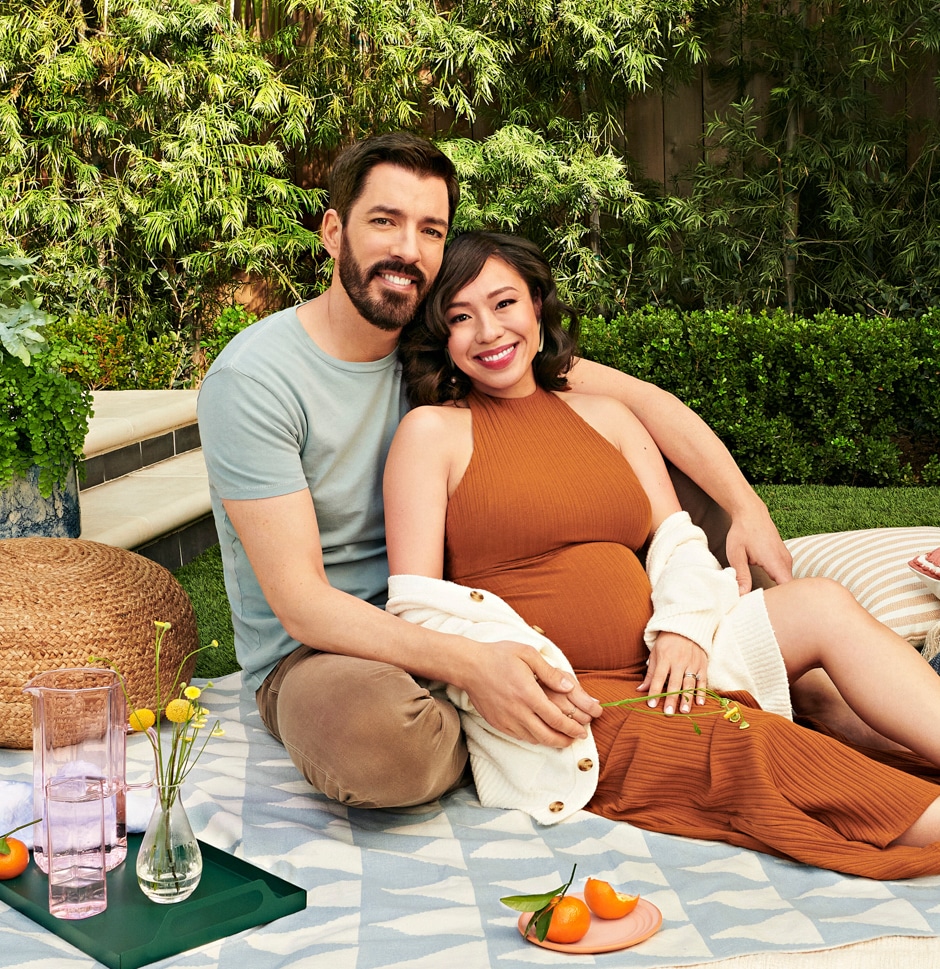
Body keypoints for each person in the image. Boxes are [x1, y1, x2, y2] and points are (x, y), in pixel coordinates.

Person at [197, 131, 791, 812]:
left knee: (680, 495)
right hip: (331, 647)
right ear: (334, 232)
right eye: (384, 222)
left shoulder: (448, 340)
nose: (406, 249)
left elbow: (645, 402)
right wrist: (472, 666)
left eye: (430, 230)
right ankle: (504, 722)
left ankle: (639, 666)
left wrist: (747, 507)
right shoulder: (255, 380)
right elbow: (302, 603)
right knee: (388, 746)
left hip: (478, 603)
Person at [383, 229, 940, 878]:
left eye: (504, 303)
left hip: (670, 652)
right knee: (742, 740)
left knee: (822, 604)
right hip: (577, 692)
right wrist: (513, 668)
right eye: (459, 316)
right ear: (441, 338)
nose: (487, 330)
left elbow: (678, 544)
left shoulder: (606, 415)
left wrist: (682, 629)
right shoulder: (433, 433)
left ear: (537, 305)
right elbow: (417, 606)